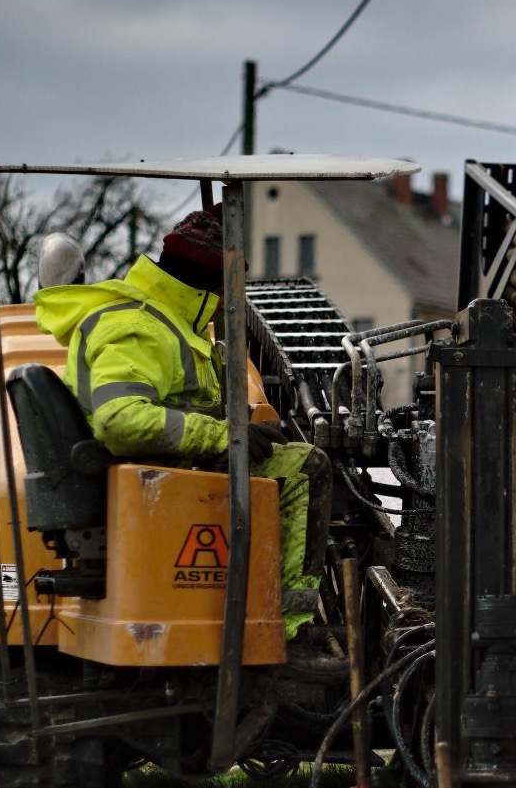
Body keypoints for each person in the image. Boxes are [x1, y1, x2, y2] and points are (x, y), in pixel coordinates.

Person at [34, 207, 332, 645]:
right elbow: (122, 420)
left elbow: (182, 406)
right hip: (160, 479)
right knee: (309, 468)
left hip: (162, 470)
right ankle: (286, 627)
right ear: (209, 282)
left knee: (281, 459)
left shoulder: (166, 321)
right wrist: (227, 438)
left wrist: (243, 429)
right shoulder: (137, 326)